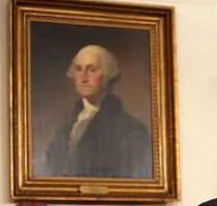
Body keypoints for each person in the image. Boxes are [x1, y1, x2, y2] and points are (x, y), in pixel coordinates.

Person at [37, 45, 153, 178]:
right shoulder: (65, 131)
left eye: (92, 70)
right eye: (78, 69)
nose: (83, 78)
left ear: (109, 75)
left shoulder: (131, 129)